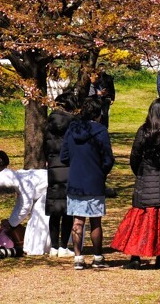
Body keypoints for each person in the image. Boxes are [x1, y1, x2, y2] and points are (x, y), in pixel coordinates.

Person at [112, 98, 160, 269]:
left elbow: (135, 157)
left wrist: (141, 172)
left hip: (147, 181)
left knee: (142, 221)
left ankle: (135, 256)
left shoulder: (144, 131)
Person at [60, 98, 115, 270]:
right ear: (99, 114)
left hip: (76, 179)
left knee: (78, 220)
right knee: (95, 221)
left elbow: (64, 156)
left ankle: (78, 258)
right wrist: (101, 172)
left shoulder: (72, 129)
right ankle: (98, 257)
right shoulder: (101, 131)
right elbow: (108, 159)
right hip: (94, 180)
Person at [0, 166, 50, 256]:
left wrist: (11, 223)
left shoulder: (24, 183)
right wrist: (11, 221)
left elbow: (25, 206)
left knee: (39, 218)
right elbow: (20, 203)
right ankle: (33, 247)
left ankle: (38, 248)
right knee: (36, 218)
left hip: (51, 189)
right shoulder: (19, 178)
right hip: (46, 189)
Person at [44, 92, 77, 257]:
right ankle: (64, 246)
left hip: (53, 167)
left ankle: (53, 247)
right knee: (67, 209)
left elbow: (44, 144)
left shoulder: (49, 121)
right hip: (69, 166)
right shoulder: (73, 122)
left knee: (55, 207)